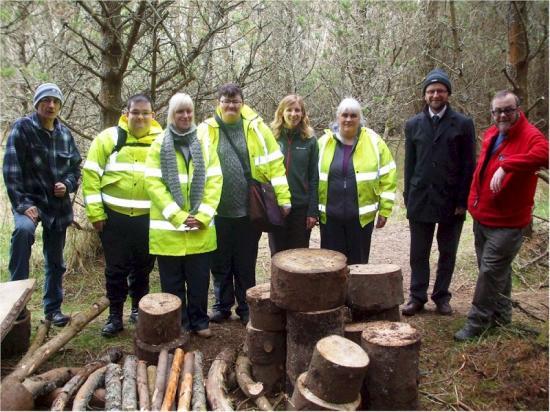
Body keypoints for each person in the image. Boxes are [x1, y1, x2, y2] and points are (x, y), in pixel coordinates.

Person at [454, 90, 549, 341]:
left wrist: (508, 165)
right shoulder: (494, 133)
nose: (502, 115)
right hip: (483, 217)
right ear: (492, 113)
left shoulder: (530, 136)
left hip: (508, 224)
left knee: (489, 272)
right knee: (498, 271)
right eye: (497, 111)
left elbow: (545, 155)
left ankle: (476, 322)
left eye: (508, 109)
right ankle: (502, 315)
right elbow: (482, 169)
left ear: (519, 109)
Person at [200, 83, 291, 325]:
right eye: (226, 101)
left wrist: (284, 198)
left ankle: (246, 306)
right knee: (219, 262)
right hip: (216, 211)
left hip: (249, 211)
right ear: (218, 103)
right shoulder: (205, 130)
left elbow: (276, 165)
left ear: (242, 103)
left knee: (245, 261)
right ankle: (221, 306)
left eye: (235, 101)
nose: (230, 105)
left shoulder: (257, 129)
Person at [82, 94, 163, 337]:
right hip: (113, 219)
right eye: (135, 112)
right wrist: (95, 213)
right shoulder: (108, 139)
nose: (140, 117)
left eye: (145, 113)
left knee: (143, 268)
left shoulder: (162, 141)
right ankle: (115, 315)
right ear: (126, 114)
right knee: (115, 269)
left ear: (152, 115)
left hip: (147, 218)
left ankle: (139, 311)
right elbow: (91, 176)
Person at [3, 83, 82, 327]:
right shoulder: (22, 128)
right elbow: (11, 169)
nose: (51, 105)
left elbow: (74, 168)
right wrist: (22, 203)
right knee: (23, 233)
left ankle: (53, 310)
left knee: (56, 260)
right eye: (46, 101)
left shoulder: (65, 135)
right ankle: (16, 305)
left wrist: (67, 185)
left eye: (56, 102)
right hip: (28, 201)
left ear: (60, 106)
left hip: (56, 206)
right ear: (37, 104)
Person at [145, 93, 222, 338]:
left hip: (200, 228)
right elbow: (153, 184)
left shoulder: (204, 142)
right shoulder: (159, 144)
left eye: (189, 111)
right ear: (172, 115)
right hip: (169, 231)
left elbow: (215, 180)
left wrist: (203, 214)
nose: (185, 116)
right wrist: (177, 216)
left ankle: (199, 321)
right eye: (180, 112)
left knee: (199, 280)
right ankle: (179, 323)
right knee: (173, 283)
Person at [402, 68, 476, 317]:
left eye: (440, 90)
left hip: (451, 200)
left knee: (447, 252)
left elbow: (469, 165)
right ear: (425, 95)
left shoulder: (463, 124)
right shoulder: (413, 124)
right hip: (421, 199)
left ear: (448, 94)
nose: (435, 95)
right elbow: (409, 165)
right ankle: (417, 296)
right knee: (418, 253)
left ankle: (442, 297)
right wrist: (408, 198)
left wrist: (462, 200)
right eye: (431, 91)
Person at [317, 97, 396, 264]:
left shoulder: (375, 142)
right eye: (344, 115)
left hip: (361, 219)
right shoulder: (323, 143)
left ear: (360, 119)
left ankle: (356, 291)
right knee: (331, 265)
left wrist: (385, 209)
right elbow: (312, 178)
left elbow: (388, 175)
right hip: (330, 218)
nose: (348, 119)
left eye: (353, 115)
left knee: (358, 265)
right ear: (338, 117)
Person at [268, 95, 318, 255]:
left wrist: (312, 210)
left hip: (300, 208)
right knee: (278, 255)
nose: (293, 114)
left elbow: (314, 177)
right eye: (289, 110)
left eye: (298, 110)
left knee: (299, 256)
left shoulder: (310, 140)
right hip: (277, 207)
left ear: (303, 114)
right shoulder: (271, 138)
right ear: (281, 112)